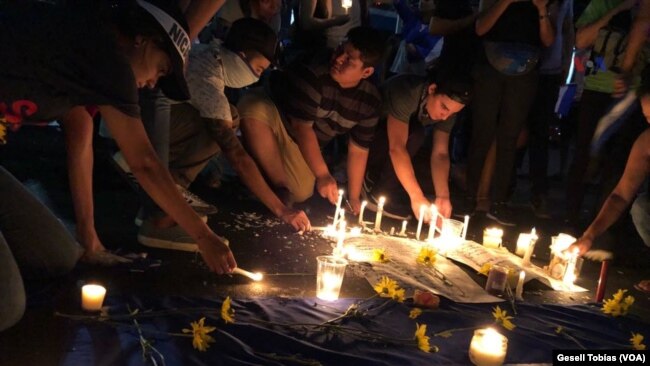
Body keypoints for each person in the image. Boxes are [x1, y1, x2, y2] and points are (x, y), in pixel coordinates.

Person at [0, 0, 235, 290]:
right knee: (8, 302)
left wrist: (89, 238)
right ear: (143, 40)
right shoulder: (107, 57)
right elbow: (145, 163)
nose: (152, 84)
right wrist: (203, 237)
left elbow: (81, 133)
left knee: (57, 255)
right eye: (161, 70)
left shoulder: (80, 63)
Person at [134, 18, 311, 250]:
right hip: (141, 131)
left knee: (227, 116)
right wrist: (282, 209)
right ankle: (162, 213)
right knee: (224, 123)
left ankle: (157, 200)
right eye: (257, 69)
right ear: (240, 55)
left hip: (148, 121)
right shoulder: (207, 75)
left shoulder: (206, 53)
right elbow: (237, 157)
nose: (256, 77)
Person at [238, 26, 384, 214]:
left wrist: (353, 198)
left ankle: (266, 180)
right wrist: (323, 175)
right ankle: (274, 187)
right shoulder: (314, 72)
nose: (338, 59)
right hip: (275, 116)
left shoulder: (369, 101)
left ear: (366, 72)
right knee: (253, 110)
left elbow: (358, 150)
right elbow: (302, 127)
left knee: (300, 192)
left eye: (349, 59)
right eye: (340, 49)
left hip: (299, 143)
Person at [465, 0, 555, 226]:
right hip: (490, 65)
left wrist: (542, 10)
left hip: (525, 70)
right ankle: (469, 198)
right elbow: (480, 28)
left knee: (509, 136)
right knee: (482, 132)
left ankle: (499, 202)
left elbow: (548, 40)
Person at [569, 73, 650, 294]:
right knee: (643, 208)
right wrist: (589, 236)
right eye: (649, 118)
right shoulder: (646, 143)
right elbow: (621, 195)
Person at [363, 73, 471, 221]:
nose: (445, 117)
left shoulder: (447, 111)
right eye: (444, 107)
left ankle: (385, 185)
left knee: (428, 174)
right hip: (366, 140)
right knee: (416, 134)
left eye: (453, 113)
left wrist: (443, 196)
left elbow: (440, 154)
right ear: (432, 89)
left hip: (395, 143)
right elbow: (397, 147)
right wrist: (416, 196)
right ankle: (374, 186)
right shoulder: (408, 92)